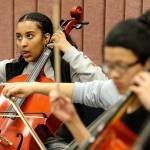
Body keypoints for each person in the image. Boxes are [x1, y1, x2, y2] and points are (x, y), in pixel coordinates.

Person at [2, 10, 150, 148]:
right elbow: (90, 91)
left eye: (29, 36)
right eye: (110, 65)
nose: (23, 44)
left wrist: (68, 49)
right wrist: (72, 119)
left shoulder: (65, 67)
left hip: (55, 139)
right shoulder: (11, 67)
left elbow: (97, 84)